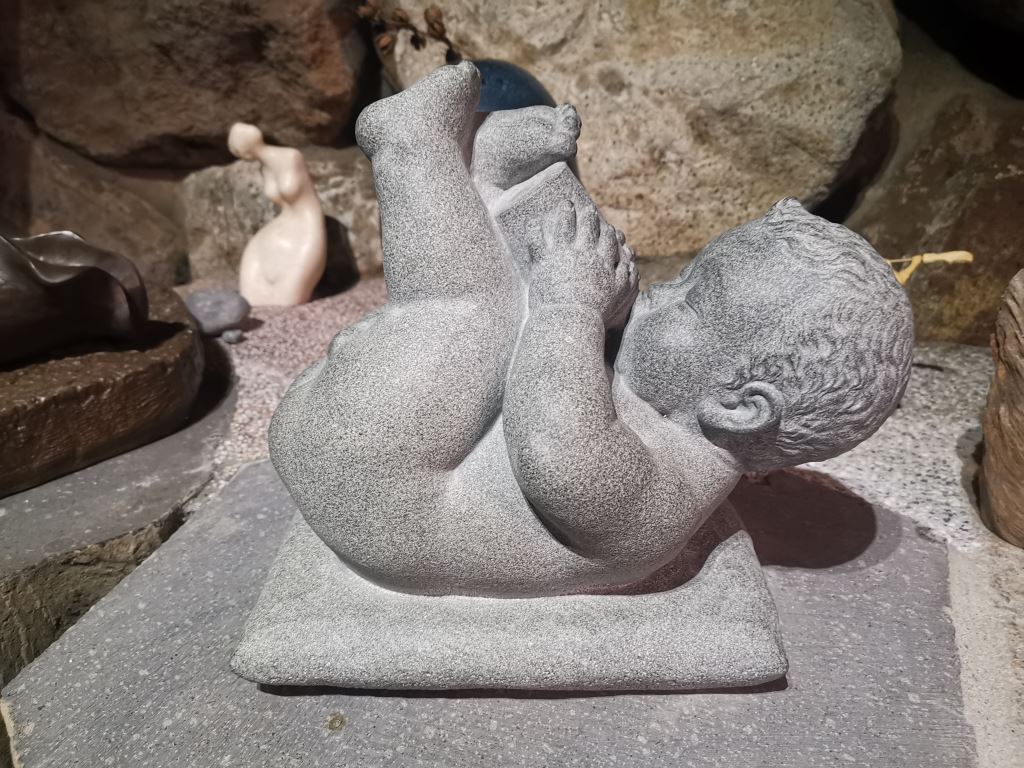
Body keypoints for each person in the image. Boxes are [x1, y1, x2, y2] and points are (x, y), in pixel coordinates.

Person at [268, 63, 913, 598]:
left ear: (739, 408)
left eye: (689, 302)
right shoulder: (675, 416)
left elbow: (556, 449)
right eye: (682, 279)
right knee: (520, 293)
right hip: (386, 451)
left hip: (372, 481)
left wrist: (569, 303)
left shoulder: (659, 505)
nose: (661, 296)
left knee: (482, 312)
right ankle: (485, 173)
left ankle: (411, 146)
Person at [228, 122, 326, 306]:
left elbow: (296, 192)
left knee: (288, 299)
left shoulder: (291, 157)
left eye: (237, 149)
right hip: (277, 230)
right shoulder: (264, 167)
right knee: (251, 298)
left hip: (306, 229)